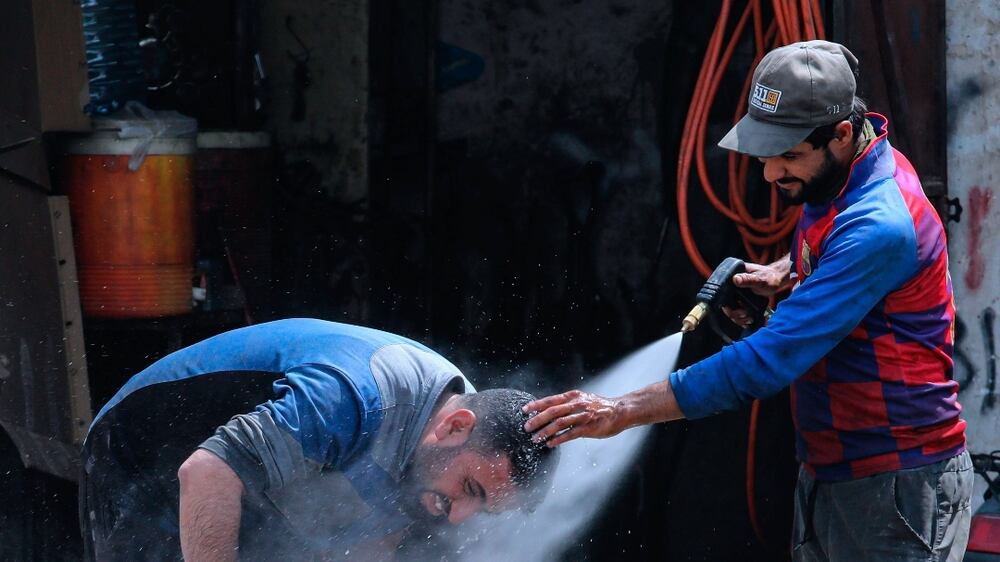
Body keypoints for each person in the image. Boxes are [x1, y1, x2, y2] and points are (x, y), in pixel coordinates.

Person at [524, 40, 971, 561]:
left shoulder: (880, 223)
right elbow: (836, 246)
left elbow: (766, 362)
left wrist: (620, 410)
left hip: (896, 481)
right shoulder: (846, 175)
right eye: (765, 155)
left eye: (788, 157)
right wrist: (788, 271)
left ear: (842, 134)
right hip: (836, 469)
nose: (770, 174)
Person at [80, 318, 557, 561]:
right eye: (471, 490)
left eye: (484, 508)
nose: (461, 514)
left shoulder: (441, 444)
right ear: (455, 427)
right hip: (140, 452)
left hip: (250, 495)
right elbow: (206, 473)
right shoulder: (353, 396)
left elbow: (369, 546)